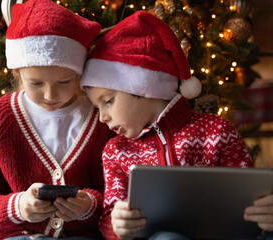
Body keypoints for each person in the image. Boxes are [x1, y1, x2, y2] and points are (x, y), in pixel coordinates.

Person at [80, 11, 273, 240]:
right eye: (97, 107)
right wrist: (117, 224)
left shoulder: (217, 130)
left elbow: (250, 196)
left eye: (109, 101)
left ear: (144, 87)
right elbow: (108, 216)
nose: (102, 117)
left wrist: (266, 214)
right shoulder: (117, 151)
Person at [0, 0, 112, 239]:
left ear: (79, 73)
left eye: (64, 82)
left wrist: (89, 207)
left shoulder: (102, 118)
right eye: (36, 83)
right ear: (17, 73)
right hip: (15, 234)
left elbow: (119, 194)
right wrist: (18, 206)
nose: (50, 95)